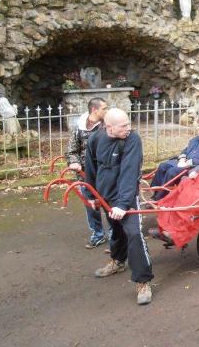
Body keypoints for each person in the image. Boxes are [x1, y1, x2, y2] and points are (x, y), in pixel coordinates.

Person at [84, 108, 154, 305]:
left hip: (126, 197)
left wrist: (123, 204)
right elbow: (90, 168)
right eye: (123, 126)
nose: (128, 128)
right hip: (106, 196)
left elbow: (129, 172)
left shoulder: (132, 140)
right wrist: (91, 195)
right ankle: (118, 261)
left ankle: (143, 280)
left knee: (133, 233)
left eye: (128, 123)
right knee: (116, 230)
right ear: (109, 127)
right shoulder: (95, 139)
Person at [66, 97, 109, 249]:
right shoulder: (79, 128)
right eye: (104, 108)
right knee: (91, 206)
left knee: (108, 204)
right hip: (85, 175)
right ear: (94, 110)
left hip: (104, 174)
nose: (107, 111)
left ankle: (115, 236)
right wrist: (74, 162)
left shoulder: (107, 126)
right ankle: (98, 234)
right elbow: (71, 150)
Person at [150, 115, 199, 200]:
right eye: (198, 125)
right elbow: (185, 151)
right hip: (183, 162)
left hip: (193, 167)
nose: (197, 128)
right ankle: (156, 190)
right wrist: (182, 159)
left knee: (172, 171)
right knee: (163, 165)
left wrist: (186, 163)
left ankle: (160, 197)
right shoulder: (196, 139)